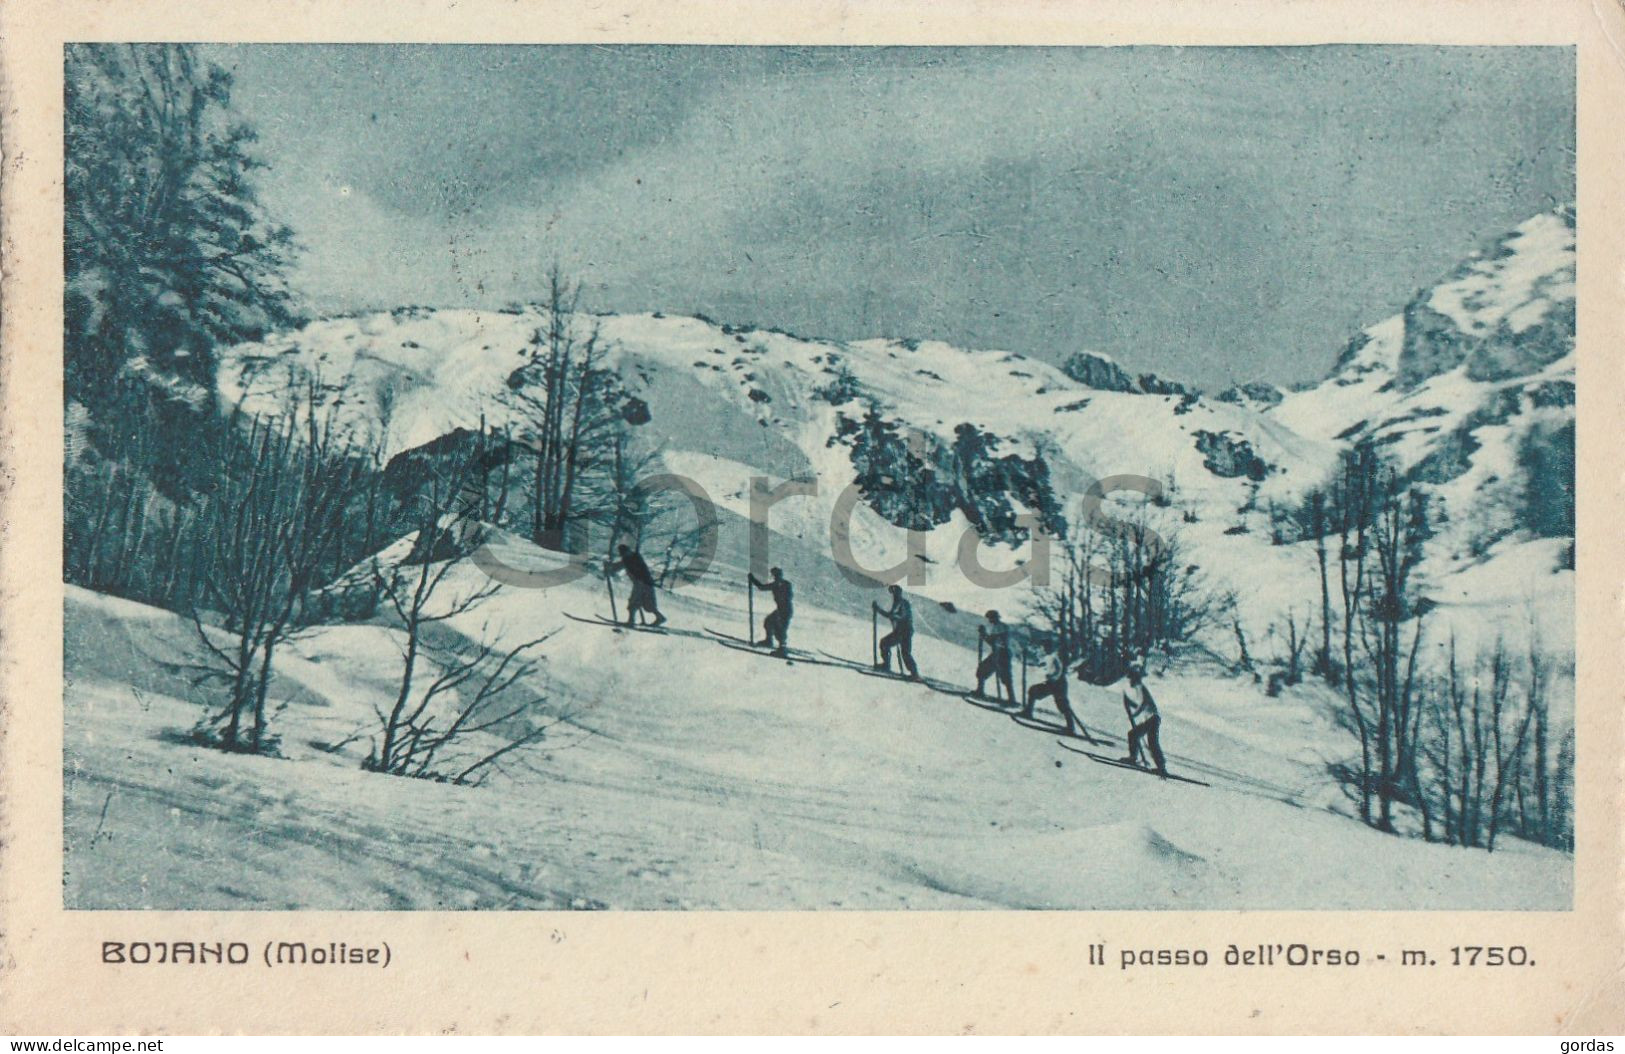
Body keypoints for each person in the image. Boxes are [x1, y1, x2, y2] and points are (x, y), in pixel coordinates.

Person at [1118, 662, 1168, 778]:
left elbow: (1145, 704)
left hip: (1152, 719)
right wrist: (1129, 703)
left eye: (1131, 679)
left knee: (1135, 735)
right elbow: (1141, 704)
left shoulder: (1140, 687)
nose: (1130, 681)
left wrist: (1134, 714)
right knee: (1149, 741)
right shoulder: (1139, 688)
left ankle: (1134, 758)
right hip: (1153, 718)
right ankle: (1161, 766)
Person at [1022, 655, 1082, 737]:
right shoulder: (1049, 656)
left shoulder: (1055, 657)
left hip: (1059, 684)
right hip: (1052, 683)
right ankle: (1028, 712)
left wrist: (1052, 677)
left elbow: (1059, 669)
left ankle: (1071, 728)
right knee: (1033, 690)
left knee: (1063, 705)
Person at [610, 543, 666, 628]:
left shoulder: (630, 559)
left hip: (642, 583)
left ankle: (631, 621)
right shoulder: (633, 557)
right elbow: (619, 565)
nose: (623, 555)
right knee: (647, 603)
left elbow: (619, 566)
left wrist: (609, 567)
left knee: (635, 602)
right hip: (646, 583)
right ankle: (660, 617)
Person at [872, 584, 921, 679]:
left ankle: (914, 673)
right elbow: (892, 615)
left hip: (904, 632)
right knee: (886, 644)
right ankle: (887, 665)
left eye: (894, 592)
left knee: (904, 652)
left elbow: (896, 615)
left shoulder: (901, 603)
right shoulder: (899, 602)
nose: (893, 595)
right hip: (901, 631)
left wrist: (879, 610)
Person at [749, 566, 794, 658]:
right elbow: (762, 587)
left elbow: (788, 596)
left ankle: (782, 649)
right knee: (768, 621)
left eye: (776, 575)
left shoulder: (784, 584)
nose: (775, 577)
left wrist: (752, 579)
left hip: (785, 610)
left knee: (780, 629)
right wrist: (753, 580)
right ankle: (768, 641)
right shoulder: (780, 584)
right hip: (781, 609)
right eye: (775, 576)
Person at [975, 610, 1015, 705]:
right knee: (982, 670)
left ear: (995, 618)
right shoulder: (996, 627)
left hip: (1003, 654)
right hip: (996, 653)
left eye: (990, 618)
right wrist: (984, 635)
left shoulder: (1003, 628)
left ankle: (1011, 699)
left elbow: (994, 641)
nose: (989, 620)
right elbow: (992, 641)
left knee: (1005, 677)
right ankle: (980, 690)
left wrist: (984, 634)